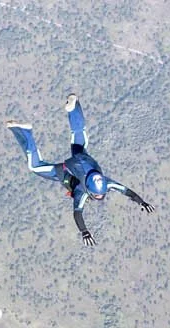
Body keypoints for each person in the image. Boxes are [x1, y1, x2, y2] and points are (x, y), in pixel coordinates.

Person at [8, 97, 152, 240]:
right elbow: (77, 214)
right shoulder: (81, 192)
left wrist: (141, 201)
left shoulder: (106, 183)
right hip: (65, 171)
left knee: (78, 139)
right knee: (35, 166)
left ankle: (74, 108)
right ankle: (24, 132)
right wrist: (84, 231)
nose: (99, 197)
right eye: (97, 195)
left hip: (85, 161)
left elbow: (125, 191)